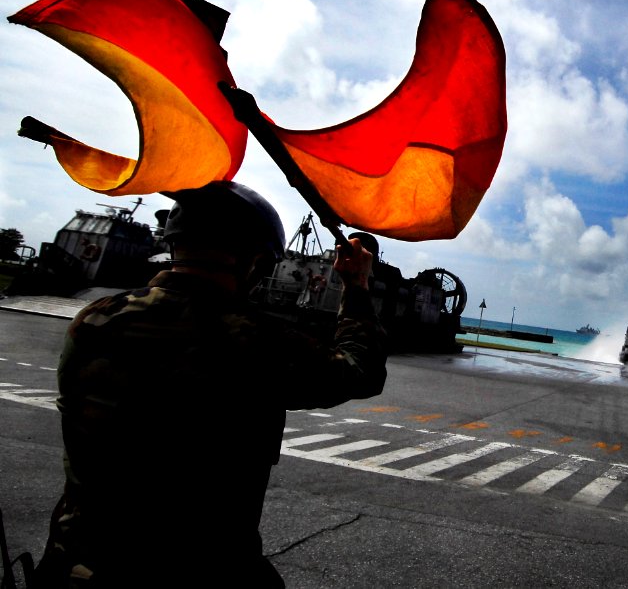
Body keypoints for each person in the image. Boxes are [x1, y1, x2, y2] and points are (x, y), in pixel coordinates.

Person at [34, 181, 388, 588]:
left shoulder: (97, 319)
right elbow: (359, 372)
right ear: (255, 261)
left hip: (76, 562)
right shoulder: (253, 340)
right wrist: (357, 287)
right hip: (200, 567)